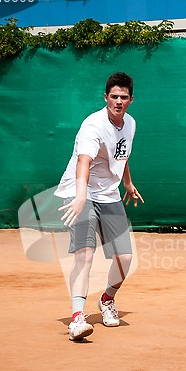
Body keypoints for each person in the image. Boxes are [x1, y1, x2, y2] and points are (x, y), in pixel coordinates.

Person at [54, 72, 144, 341]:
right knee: (85, 253)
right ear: (106, 98)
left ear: (130, 100)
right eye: (113, 96)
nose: (118, 101)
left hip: (109, 194)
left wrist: (127, 183)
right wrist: (81, 196)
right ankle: (77, 318)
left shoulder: (130, 123)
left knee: (125, 258)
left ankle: (106, 299)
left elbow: (122, 153)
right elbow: (84, 162)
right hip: (79, 190)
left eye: (123, 97)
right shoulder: (92, 126)